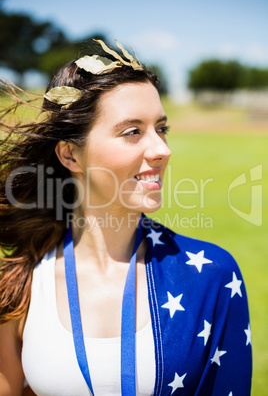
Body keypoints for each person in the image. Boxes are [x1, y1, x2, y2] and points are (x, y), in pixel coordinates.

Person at [0, 39, 252, 396]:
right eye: (132, 131)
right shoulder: (18, 284)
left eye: (161, 128)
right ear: (71, 155)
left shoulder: (213, 274)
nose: (162, 150)